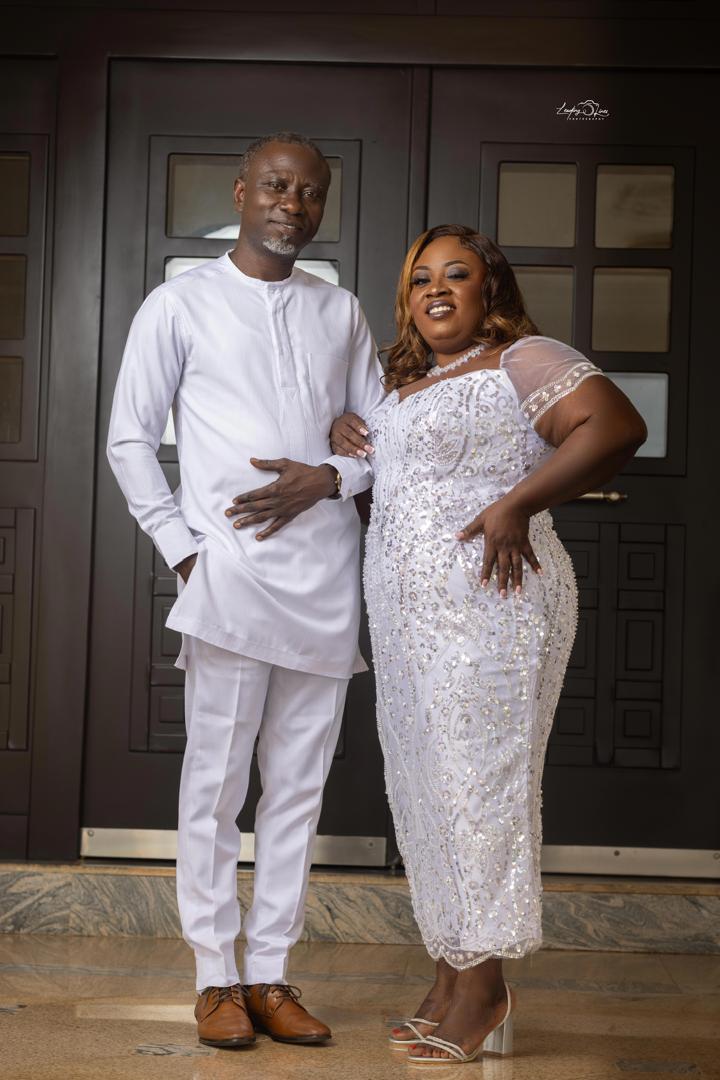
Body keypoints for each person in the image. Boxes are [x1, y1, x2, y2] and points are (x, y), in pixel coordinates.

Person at [329, 224, 646, 1064]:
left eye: (457, 274)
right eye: (421, 278)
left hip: (494, 605)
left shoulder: (524, 359)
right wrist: (351, 440)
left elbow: (614, 425)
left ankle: (485, 989)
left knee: (481, 789)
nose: (436, 289)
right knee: (427, 791)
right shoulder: (403, 388)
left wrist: (516, 504)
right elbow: (396, 502)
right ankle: (450, 973)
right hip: (408, 619)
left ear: (489, 288)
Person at [107, 132, 383, 1049]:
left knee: (297, 791)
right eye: (275, 186)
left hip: (326, 578)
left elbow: (381, 436)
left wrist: (331, 478)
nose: (291, 205)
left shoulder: (340, 311)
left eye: (309, 192)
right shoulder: (179, 303)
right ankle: (214, 978)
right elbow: (129, 439)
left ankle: (270, 974)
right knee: (216, 786)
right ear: (240, 193)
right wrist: (185, 554)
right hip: (228, 577)